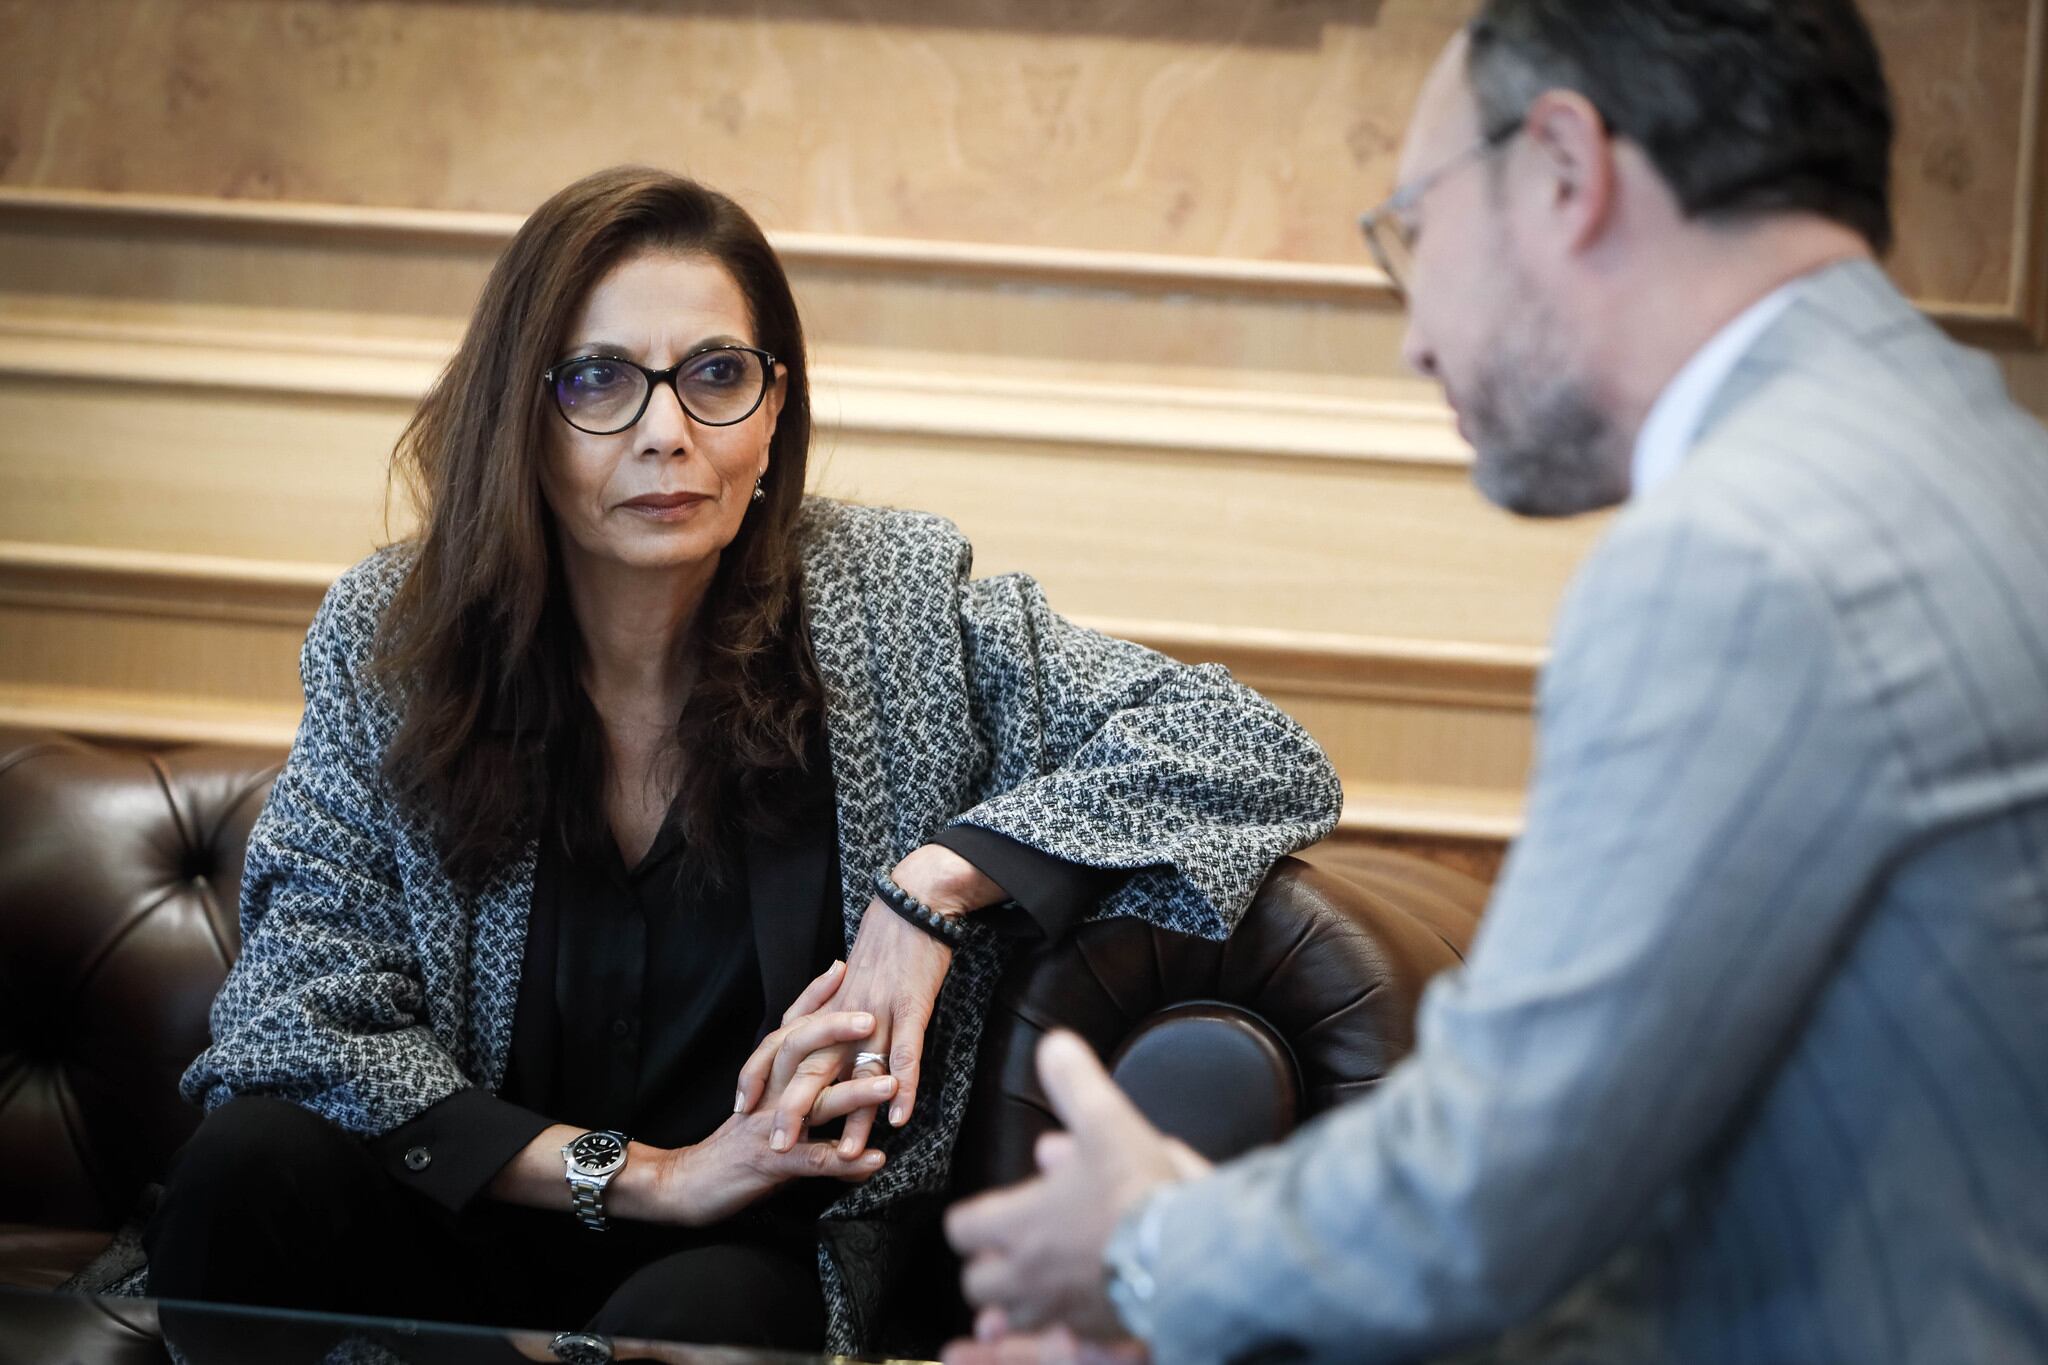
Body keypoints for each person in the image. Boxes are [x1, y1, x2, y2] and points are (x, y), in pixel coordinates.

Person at [944, 2, 2048, 1361]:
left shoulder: (1743, 556)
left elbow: (1491, 1197)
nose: (1414, 339)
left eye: (1415, 227)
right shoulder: (1995, 462)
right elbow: (1673, 1174)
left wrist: (1144, 1248)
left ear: (1568, 171)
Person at [141, 165, 1343, 1357]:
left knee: (700, 1324)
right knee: (248, 1165)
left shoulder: (891, 609)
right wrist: (656, 1176)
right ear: (520, 414)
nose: (667, 432)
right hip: (466, 1219)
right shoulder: (390, 640)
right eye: (600, 380)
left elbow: (1253, 749)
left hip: (747, 1262)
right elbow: (296, 1027)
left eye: (716, 375)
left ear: (773, 413)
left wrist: (930, 888)